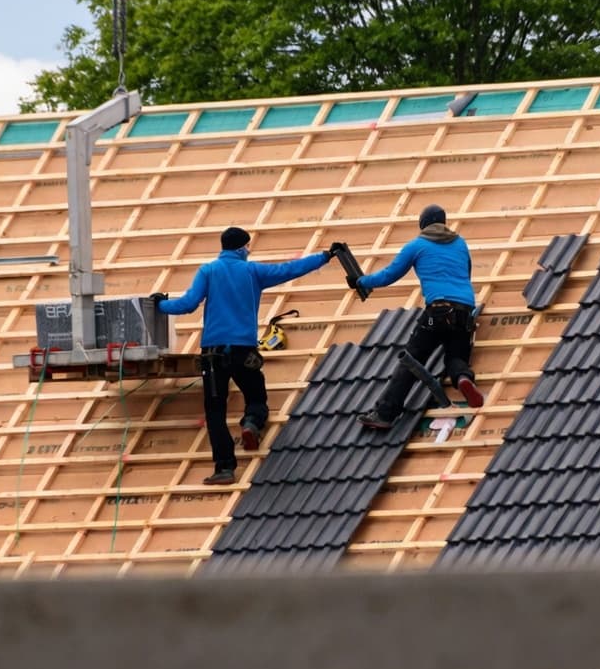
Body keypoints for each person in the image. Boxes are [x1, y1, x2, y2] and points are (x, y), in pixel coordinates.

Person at [152, 227, 336, 485]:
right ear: (241, 248)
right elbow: (290, 270)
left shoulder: (209, 270)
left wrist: (159, 305)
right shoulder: (253, 271)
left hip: (213, 354)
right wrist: (324, 256)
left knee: (215, 411)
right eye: (247, 246)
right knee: (256, 395)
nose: (249, 251)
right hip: (243, 351)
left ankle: (224, 469)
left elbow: (188, 305)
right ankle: (251, 422)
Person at [355, 204, 484, 430]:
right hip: (465, 311)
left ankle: (385, 414)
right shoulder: (460, 243)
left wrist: (362, 282)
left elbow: (389, 275)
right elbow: (467, 273)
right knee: (456, 355)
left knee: (412, 360)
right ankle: (463, 378)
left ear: (422, 224)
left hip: (438, 312)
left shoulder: (417, 245)